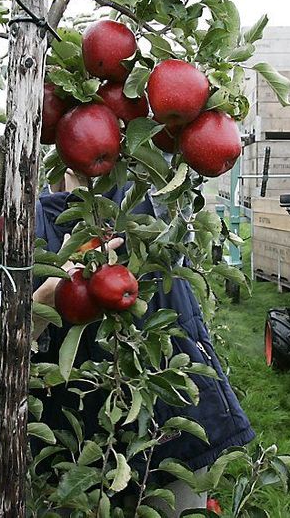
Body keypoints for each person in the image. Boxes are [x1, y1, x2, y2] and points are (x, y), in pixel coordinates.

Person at [31, 170, 254, 516]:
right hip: (73, 441)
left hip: (170, 419)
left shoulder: (147, 191)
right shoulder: (23, 223)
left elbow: (186, 160)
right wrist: (50, 293)